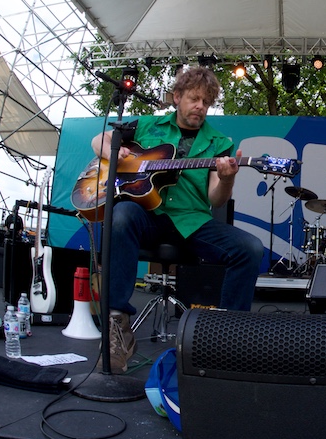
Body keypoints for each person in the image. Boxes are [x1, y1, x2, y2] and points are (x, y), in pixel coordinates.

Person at [90, 66, 264, 373]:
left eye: (207, 102)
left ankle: (228, 337)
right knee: (120, 215)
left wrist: (226, 179)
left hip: (192, 222)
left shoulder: (218, 142)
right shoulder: (147, 126)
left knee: (250, 248)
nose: (200, 106)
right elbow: (99, 140)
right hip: (148, 214)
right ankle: (117, 326)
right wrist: (120, 157)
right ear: (177, 97)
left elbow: (216, 199)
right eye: (194, 98)